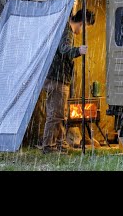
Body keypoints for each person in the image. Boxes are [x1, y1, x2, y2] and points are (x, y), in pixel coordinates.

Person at [41, 9, 95, 154]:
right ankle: (48, 146)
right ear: (82, 23)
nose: (82, 31)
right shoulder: (67, 31)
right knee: (55, 114)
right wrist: (78, 51)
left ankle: (60, 144)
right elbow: (64, 49)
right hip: (57, 79)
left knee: (59, 113)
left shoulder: (63, 28)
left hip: (57, 78)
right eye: (85, 28)